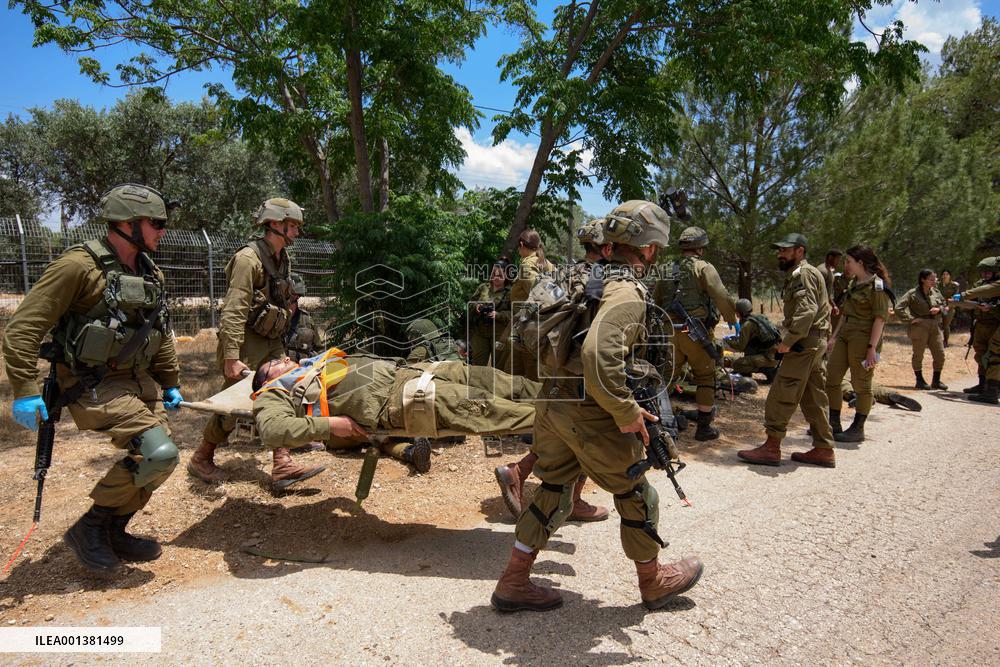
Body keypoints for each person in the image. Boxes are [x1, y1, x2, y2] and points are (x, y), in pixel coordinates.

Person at [491, 199, 703, 614]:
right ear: (650, 249)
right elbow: (597, 355)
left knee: (553, 489)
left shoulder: (581, 275)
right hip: (591, 411)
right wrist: (625, 412)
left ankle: (514, 581)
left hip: (553, 402)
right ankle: (653, 582)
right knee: (636, 493)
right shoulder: (626, 291)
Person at [3, 184, 183, 573]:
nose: (163, 231)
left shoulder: (151, 272)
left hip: (139, 383)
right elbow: (21, 330)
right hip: (93, 386)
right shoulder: (77, 267)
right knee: (158, 453)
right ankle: (91, 528)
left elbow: (159, 332)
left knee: (160, 461)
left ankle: (114, 529)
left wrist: (170, 381)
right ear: (125, 223)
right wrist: (24, 389)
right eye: (157, 223)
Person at [188, 197, 324, 491]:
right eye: (293, 226)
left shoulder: (281, 258)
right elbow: (234, 309)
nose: (298, 232)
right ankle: (202, 457)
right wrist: (231, 356)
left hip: (271, 340)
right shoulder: (248, 260)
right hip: (246, 342)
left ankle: (282, 462)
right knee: (234, 404)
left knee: (285, 388)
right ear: (276, 224)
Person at [493, 220, 611, 524]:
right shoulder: (601, 278)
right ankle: (572, 500)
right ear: (607, 246)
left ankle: (517, 472)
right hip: (579, 368)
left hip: (552, 362)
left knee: (556, 426)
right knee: (588, 430)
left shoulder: (563, 272)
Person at [251, 352, 540, 453]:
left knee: (493, 379)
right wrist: (332, 425)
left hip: (412, 371)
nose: (284, 359)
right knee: (488, 407)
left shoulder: (309, 367)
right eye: (275, 363)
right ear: (267, 381)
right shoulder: (274, 393)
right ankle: (567, 419)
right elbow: (273, 430)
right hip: (402, 399)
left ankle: (566, 395)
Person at [737, 233, 835, 468]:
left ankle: (771, 448)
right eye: (779, 250)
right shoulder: (805, 274)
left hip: (804, 343)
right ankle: (824, 448)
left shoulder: (803, 274)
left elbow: (807, 311)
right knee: (814, 396)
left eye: (785, 250)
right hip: (814, 342)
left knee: (782, 393)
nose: (780, 254)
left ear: (800, 251)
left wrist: (788, 342)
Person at [652, 226, 737, 441]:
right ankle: (704, 428)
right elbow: (721, 295)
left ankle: (659, 425)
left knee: (665, 377)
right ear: (701, 247)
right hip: (695, 332)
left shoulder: (668, 269)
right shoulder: (704, 268)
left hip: (670, 330)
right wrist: (732, 321)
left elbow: (656, 299)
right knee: (705, 376)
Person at [824, 245, 893, 443]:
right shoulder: (853, 283)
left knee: (861, 384)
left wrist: (872, 348)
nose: (846, 265)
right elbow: (844, 314)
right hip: (845, 335)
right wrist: (834, 337)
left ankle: (857, 428)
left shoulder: (877, 286)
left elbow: (880, 320)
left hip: (864, 339)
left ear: (860, 263)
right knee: (832, 378)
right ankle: (833, 422)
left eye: (849, 262)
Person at [506, 229, 555, 380]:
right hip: (541, 326)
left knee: (525, 374)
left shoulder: (527, 265)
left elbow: (538, 295)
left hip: (528, 327)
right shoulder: (548, 264)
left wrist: (520, 320)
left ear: (521, 244)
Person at [955, 256, 1000, 403]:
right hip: (981, 324)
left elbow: (988, 291)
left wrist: (991, 309)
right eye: (984, 272)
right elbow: (975, 298)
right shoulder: (980, 284)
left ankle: (992, 390)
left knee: (995, 354)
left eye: (989, 271)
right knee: (982, 353)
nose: (985, 274)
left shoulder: (995, 285)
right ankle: (985, 386)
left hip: (994, 323)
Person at [895, 269, 948, 390]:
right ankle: (919, 380)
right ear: (923, 279)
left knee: (940, 354)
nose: (934, 281)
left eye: (935, 279)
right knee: (918, 354)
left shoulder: (936, 292)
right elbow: (898, 308)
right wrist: (910, 319)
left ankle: (936, 380)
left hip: (935, 325)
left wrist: (939, 310)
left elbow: (946, 307)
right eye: (931, 279)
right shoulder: (912, 293)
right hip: (920, 326)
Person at [723, 298, 780, 382]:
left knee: (736, 365)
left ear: (740, 312)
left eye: (737, 312)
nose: (736, 314)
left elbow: (740, 347)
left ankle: (769, 370)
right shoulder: (760, 317)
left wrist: (727, 341)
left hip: (767, 358)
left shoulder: (747, 325)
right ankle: (766, 368)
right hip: (774, 355)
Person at [468, 262, 511, 367]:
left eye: (500, 275)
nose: (496, 277)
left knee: (499, 365)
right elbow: (470, 304)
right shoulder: (483, 287)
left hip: (499, 334)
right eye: (494, 274)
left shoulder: (511, 291)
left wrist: (498, 314)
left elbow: (516, 313)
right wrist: (476, 307)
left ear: (506, 275)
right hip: (480, 331)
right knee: (478, 364)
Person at [284, 272, 325, 362]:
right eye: (292, 294)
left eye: (297, 295)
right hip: (280, 370)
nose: (296, 296)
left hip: (304, 370)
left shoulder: (307, 319)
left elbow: (319, 349)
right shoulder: (274, 318)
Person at [818, 249, 844, 332]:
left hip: (823, 308)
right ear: (830, 257)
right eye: (837, 260)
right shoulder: (822, 271)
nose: (838, 262)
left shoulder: (829, 271)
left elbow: (827, 293)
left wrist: (833, 305)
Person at [937, 269, 960, 346]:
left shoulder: (955, 285)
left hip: (949, 307)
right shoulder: (938, 284)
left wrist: (948, 307)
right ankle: (935, 341)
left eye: (947, 274)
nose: (945, 276)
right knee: (935, 323)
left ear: (950, 276)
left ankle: (945, 341)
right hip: (939, 306)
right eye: (943, 274)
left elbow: (955, 298)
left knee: (946, 325)